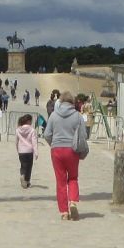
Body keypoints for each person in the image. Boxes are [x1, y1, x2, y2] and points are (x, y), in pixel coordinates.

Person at [43, 91, 89, 221]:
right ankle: (73, 202)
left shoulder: (53, 115)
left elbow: (46, 134)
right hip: (72, 150)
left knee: (60, 181)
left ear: (61, 102)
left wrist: (53, 144)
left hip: (56, 150)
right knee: (73, 178)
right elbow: (84, 135)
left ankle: (64, 212)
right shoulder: (77, 116)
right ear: (72, 102)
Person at [15, 113, 38, 189]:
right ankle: (27, 181)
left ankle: (22, 175)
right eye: (31, 120)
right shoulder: (32, 130)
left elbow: (16, 141)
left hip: (21, 151)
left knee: (23, 165)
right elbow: (34, 141)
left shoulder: (18, 129)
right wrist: (36, 152)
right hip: (29, 151)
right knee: (29, 167)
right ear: (28, 121)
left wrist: (17, 149)